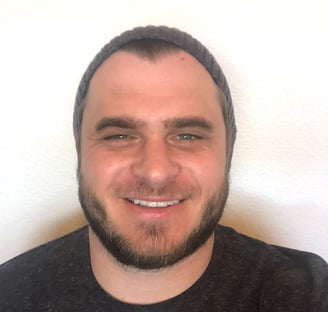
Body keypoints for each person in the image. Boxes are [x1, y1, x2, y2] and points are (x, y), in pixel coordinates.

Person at [0, 25, 327, 311]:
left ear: (227, 152)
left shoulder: (303, 294)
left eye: (187, 135)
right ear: (80, 151)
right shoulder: (9, 295)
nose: (155, 172)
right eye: (119, 135)